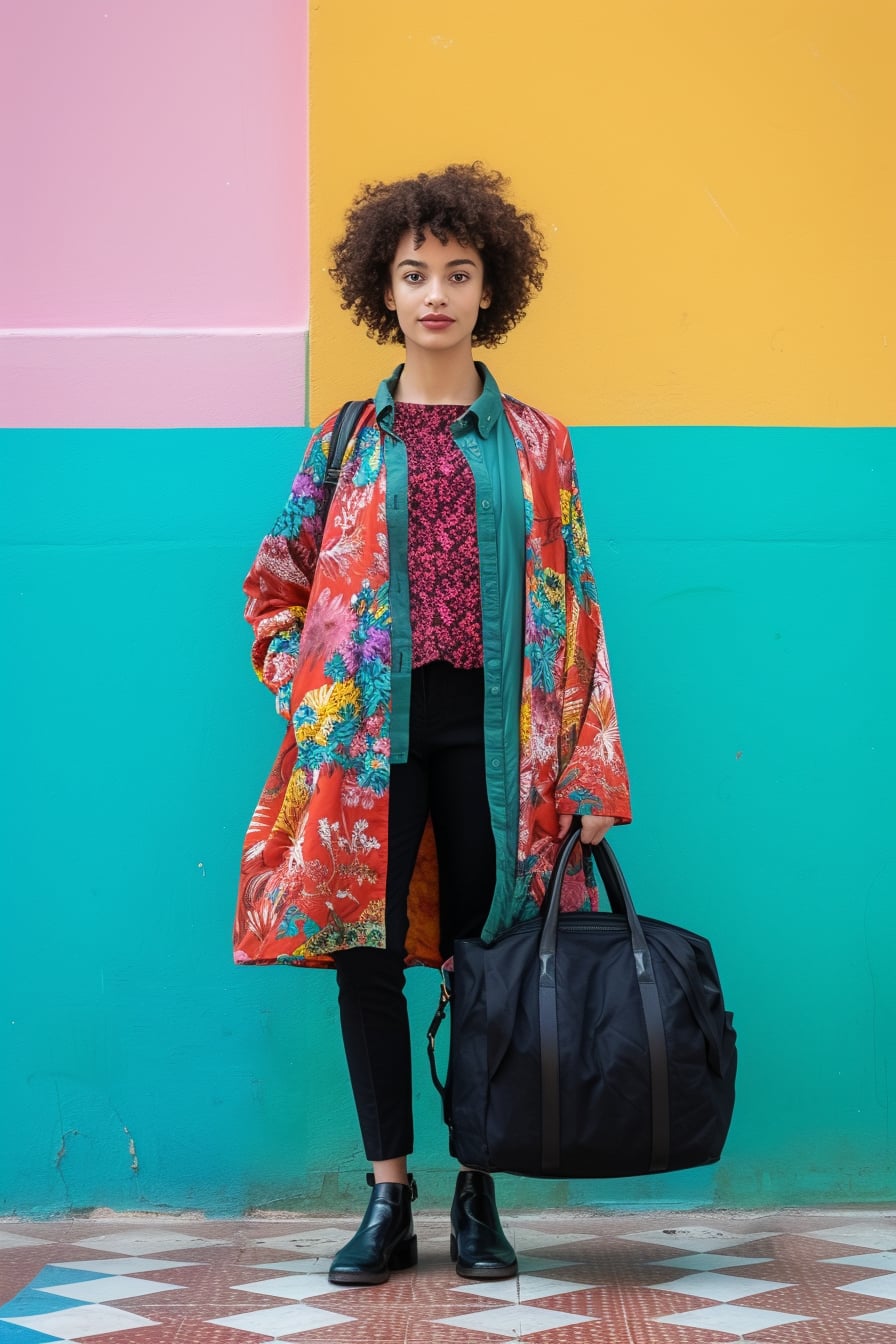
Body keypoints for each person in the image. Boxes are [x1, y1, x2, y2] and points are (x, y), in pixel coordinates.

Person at [233, 163, 632, 1287]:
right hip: (368, 744)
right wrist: (308, 699)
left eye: (457, 272)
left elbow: (578, 610)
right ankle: (387, 1192)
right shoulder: (348, 437)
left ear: (487, 287)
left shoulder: (540, 442)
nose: (436, 293)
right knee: (364, 956)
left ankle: (476, 1191)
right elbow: (276, 580)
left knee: (487, 959)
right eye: (414, 274)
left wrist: (591, 773)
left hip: (500, 743)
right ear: (386, 292)